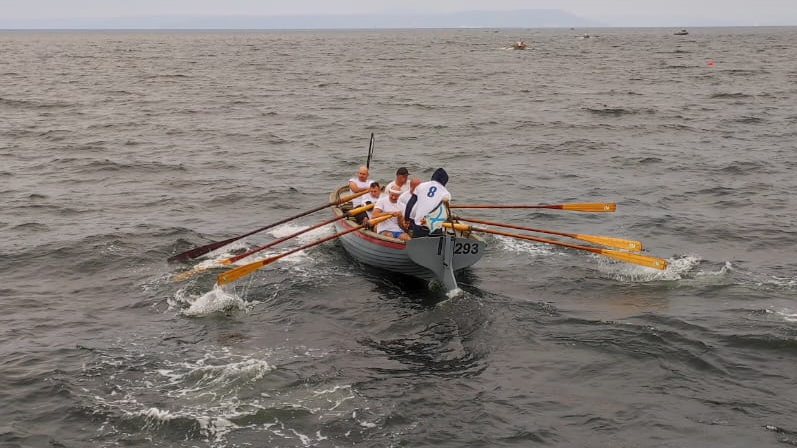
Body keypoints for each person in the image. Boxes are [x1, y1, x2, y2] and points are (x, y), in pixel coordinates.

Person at [404, 168, 451, 238]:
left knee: (417, 244)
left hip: (419, 224)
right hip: (434, 227)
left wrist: (407, 219)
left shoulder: (421, 186)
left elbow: (410, 204)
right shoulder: (446, 193)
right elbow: (443, 213)